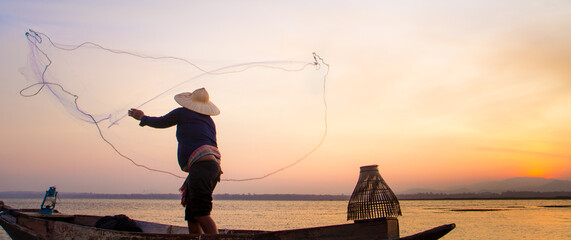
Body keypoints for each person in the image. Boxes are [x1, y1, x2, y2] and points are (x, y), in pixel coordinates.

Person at [128, 88, 222, 234]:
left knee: (201, 213)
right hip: (210, 168)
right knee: (191, 214)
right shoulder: (209, 121)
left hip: (202, 168)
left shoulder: (183, 113)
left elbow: (162, 122)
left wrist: (142, 118)